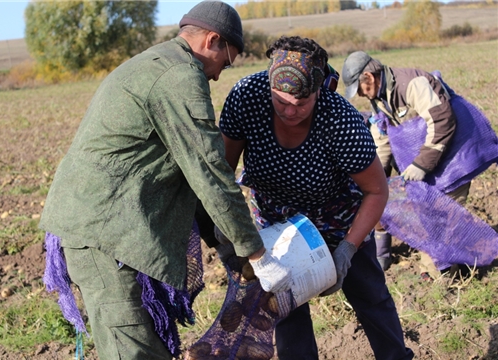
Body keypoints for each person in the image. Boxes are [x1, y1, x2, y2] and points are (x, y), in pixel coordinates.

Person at [38, 2, 292, 359]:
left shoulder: (158, 63)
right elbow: (211, 173)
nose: (218, 75)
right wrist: (257, 254)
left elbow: (192, 176)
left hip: (112, 233)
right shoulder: (178, 76)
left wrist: (232, 253)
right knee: (133, 351)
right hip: (104, 236)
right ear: (212, 41)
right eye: (225, 61)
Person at [218, 36, 414, 360]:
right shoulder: (247, 99)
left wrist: (348, 250)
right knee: (285, 307)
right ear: (268, 86)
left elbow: (377, 191)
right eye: (281, 102)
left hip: (338, 216)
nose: (290, 111)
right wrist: (230, 227)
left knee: (370, 296)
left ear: (319, 91)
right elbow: (221, 174)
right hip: (277, 221)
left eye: (302, 102)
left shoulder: (339, 119)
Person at [341, 50, 498, 278]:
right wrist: (376, 181)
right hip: (432, 159)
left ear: (370, 76)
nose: (361, 96)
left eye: (360, 88)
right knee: (432, 216)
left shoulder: (413, 84)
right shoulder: (380, 100)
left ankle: (445, 276)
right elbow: (382, 143)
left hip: (455, 156)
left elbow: (442, 120)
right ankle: (457, 264)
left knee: (441, 218)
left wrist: (422, 165)